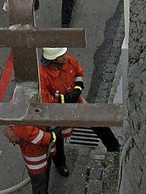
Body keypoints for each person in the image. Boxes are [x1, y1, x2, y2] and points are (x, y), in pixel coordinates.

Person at [39, 47, 120, 179]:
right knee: (57, 139)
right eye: (61, 55)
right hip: (58, 112)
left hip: (76, 103)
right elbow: (45, 99)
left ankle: (113, 145)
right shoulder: (42, 74)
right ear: (53, 59)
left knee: (96, 119)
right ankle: (60, 163)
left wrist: (78, 88)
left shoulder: (69, 61)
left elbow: (78, 73)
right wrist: (64, 99)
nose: (65, 56)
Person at [3, 122, 57, 194]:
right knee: (39, 181)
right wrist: (51, 137)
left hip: (40, 151)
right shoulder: (23, 124)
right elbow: (33, 134)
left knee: (42, 177)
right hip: (35, 155)